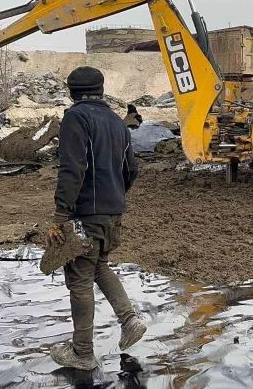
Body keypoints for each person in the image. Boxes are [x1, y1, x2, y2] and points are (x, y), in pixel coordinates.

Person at [48, 66, 146, 370]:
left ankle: (82, 353)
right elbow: (132, 170)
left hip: (86, 214)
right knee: (99, 264)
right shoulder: (117, 122)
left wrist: (60, 214)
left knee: (79, 277)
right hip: (112, 211)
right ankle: (129, 320)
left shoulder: (76, 118)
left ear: (71, 92)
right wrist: (113, 196)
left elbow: (72, 169)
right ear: (101, 90)